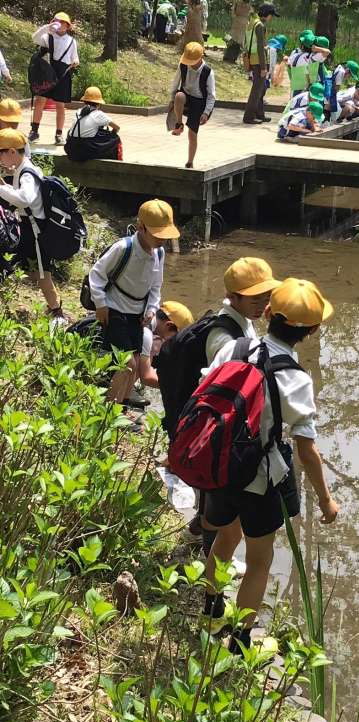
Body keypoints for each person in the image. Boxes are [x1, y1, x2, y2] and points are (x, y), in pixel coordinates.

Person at [201, 278, 339, 650]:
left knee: (226, 537)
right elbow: (306, 449)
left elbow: (206, 390)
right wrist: (326, 500)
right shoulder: (295, 379)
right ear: (311, 331)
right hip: (258, 478)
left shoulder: (233, 347)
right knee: (260, 560)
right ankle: (241, 641)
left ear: (266, 313)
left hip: (219, 465)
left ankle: (211, 610)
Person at [189, 258, 281, 554]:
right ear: (232, 296)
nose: (262, 305)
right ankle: (207, 555)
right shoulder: (222, 336)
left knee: (220, 505)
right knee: (215, 504)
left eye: (266, 297)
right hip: (216, 432)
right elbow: (217, 393)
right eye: (255, 299)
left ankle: (211, 551)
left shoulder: (244, 323)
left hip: (229, 430)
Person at [88, 199, 179, 405]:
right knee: (126, 363)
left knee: (136, 362)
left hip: (138, 314)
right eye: (157, 234)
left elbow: (156, 286)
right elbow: (97, 274)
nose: (162, 240)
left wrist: (151, 309)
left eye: (165, 235)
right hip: (114, 309)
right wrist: (101, 304)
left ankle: (123, 405)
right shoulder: (124, 248)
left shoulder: (159, 253)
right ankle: (108, 409)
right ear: (141, 227)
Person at [0, 129, 66, 323]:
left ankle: (57, 312)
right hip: (28, 228)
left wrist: (1, 189)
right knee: (19, 266)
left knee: (42, 273)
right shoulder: (23, 168)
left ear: (12, 152)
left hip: (35, 231)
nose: (0, 161)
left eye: (0, 154)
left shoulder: (27, 174)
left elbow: (25, 199)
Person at [29, 12, 79, 145]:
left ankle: (59, 134)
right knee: (40, 101)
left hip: (63, 74)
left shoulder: (72, 41)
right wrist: (47, 27)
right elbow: (34, 38)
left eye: (63, 22)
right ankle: (34, 131)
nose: (60, 24)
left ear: (67, 26)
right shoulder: (48, 37)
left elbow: (75, 58)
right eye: (57, 21)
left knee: (60, 106)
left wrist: (75, 62)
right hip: (48, 73)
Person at [169, 42, 216, 169]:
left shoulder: (208, 72)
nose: (190, 64)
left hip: (200, 103)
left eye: (192, 61)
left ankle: (190, 162)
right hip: (186, 97)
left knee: (192, 133)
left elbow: (211, 95)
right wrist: (172, 100)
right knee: (179, 96)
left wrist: (206, 112)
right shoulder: (183, 66)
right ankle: (179, 124)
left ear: (201, 58)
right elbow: (175, 83)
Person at [243, 3, 279, 125]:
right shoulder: (260, 26)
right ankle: (248, 117)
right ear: (267, 14)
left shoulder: (252, 22)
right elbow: (260, 47)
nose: (271, 18)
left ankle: (260, 114)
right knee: (256, 90)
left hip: (252, 58)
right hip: (259, 61)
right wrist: (263, 67)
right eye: (271, 15)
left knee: (261, 88)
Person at [65, 86, 122, 162]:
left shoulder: (78, 111)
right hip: (85, 150)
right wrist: (112, 134)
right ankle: (114, 162)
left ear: (84, 101)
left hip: (71, 148)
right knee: (115, 139)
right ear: (98, 104)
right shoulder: (98, 114)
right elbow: (117, 127)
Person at [287, 30, 330, 97]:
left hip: (297, 84)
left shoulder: (295, 54)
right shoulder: (312, 57)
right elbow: (327, 52)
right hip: (308, 85)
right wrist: (316, 48)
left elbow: (289, 65)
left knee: (295, 99)